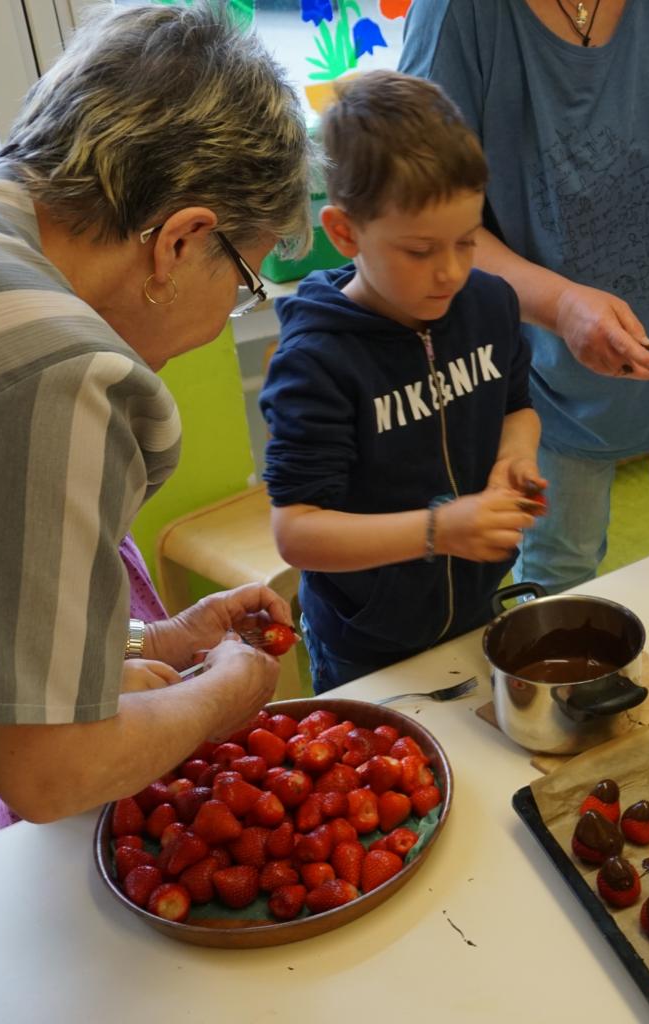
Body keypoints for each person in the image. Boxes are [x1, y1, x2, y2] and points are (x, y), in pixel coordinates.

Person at [0, 3, 310, 871]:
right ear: (180, 241)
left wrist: (151, 641)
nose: (229, 317)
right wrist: (226, 695)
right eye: (244, 281)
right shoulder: (53, 364)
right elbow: (51, 772)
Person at [401, 0, 649, 593]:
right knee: (560, 583)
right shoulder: (458, 16)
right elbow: (423, 220)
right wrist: (561, 305)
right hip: (546, 377)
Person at [261, 72, 540, 693]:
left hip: (476, 610)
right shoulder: (317, 361)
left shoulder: (490, 303)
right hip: (368, 644)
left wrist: (513, 461)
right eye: (419, 251)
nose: (449, 273)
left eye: (466, 242)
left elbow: (518, 408)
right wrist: (440, 531)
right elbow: (297, 531)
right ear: (344, 233)